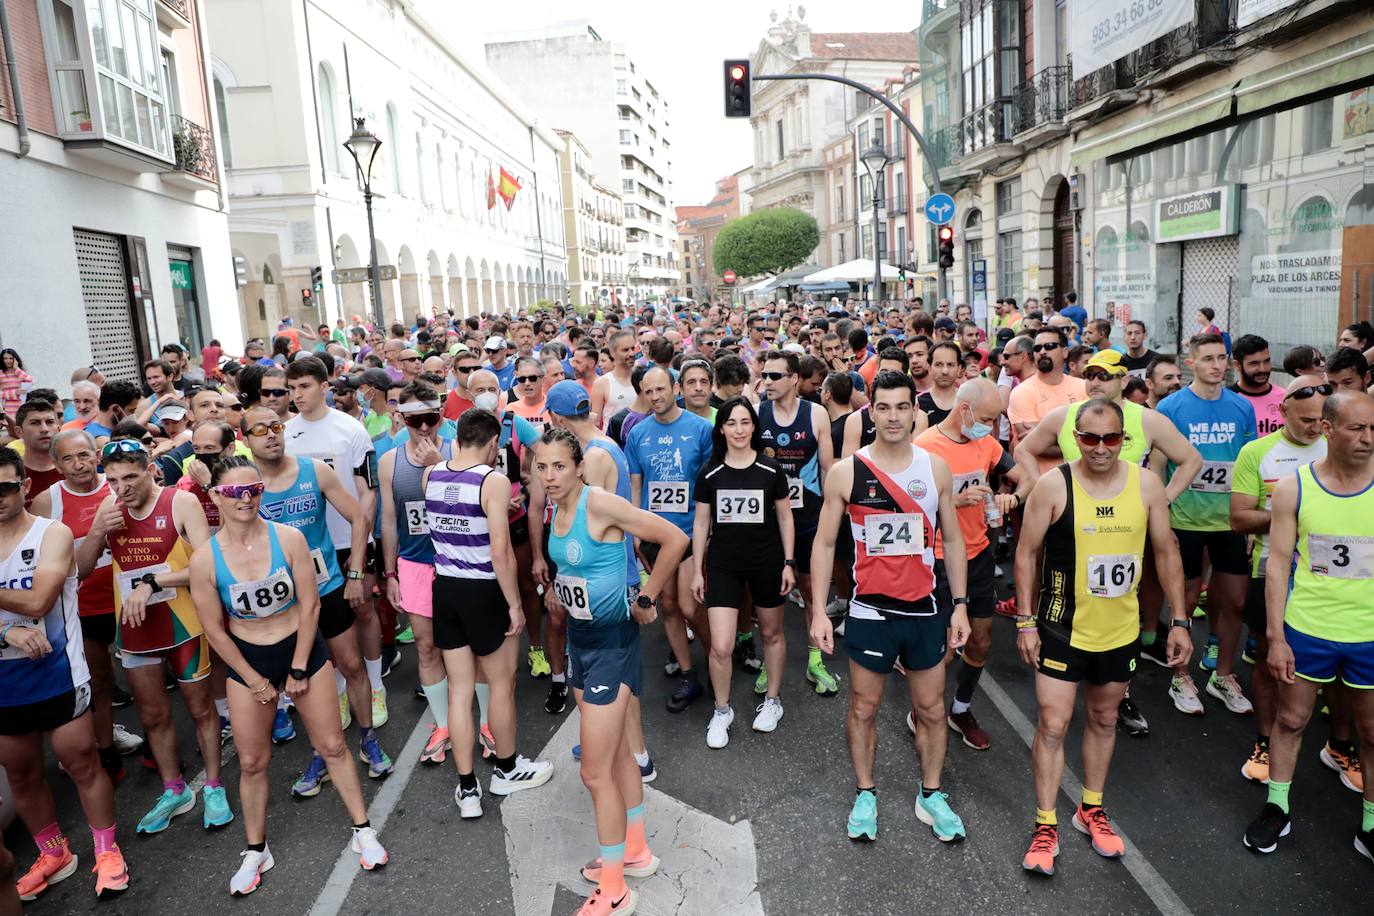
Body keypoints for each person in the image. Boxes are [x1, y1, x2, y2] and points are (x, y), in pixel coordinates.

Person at [188, 457, 387, 894]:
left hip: (300, 649)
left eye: (253, 490)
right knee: (254, 761)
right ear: (216, 496)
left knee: (333, 745)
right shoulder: (204, 559)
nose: (246, 499)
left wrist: (298, 667)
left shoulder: (289, 538)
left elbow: (311, 604)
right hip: (248, 660)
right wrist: (256, 681)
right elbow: (214, 632)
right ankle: (256, 849)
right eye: (235, 492)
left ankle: (363, 829)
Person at [1013, 399, 1193, 875]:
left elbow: (1166, 552)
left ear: (1124, 439)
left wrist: (1180, 620)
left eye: (1110, 438)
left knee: (1104, 719)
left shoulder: (1147, 483)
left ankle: (1090, 808)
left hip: (1119, 630)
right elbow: (1027, 554)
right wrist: (1026, 621)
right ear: (1074, 437)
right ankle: (1045, 823)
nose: (1100, 448)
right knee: (1052, 725)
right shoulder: (1054, 485)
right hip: (1059, 626)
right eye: (1089, 438)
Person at [808, 371, 970, 844]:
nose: (894, 416)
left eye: (903, 407)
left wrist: (959, 605)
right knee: (864, 707)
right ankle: (865, 793)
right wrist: (819, 610)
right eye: (885, 407)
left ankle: (931, 794)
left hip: (924, 609)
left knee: (932, 709)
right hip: (869, 610)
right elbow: (822, 544)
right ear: (871, 411)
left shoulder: (934, 468)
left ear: (914, 412)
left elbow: (953, 540)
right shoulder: (847, 472)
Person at [538, 426, 688, 916]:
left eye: (559, 465)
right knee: (620, 753)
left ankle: (615, 888)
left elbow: (674, 538)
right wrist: (560, 590)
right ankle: (636, 850)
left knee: (593, 771)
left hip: (612, 648)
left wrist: (645, 596)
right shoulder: (554, 509)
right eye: (542, 467)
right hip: (582, 644)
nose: (550, 475)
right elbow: (577, 570)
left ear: (579, 466)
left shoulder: (597, 504)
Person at [1244, 391, 1374, 860]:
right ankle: (1276, 807)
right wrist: (1276, 637)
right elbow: (1277, 565)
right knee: (1292, 719)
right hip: (1309, 628)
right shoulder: (1295, 488)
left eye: (1373, 429)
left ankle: (1371, 823)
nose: (1367, 437)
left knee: (1372, 731)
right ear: (1327, 429)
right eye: (1357, 428)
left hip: (1369, 634)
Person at [73, 439, 225, 835]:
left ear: (150, 471)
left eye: (129, 477)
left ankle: (213, 785)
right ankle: (174, 789)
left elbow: (206, 566)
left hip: (184, 624)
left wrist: (150, 582)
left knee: (200, 709)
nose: (121, 488)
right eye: (112, 480)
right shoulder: (109, 511)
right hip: (137, 630)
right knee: (153, 716)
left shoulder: (179, 502)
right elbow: (81, 571)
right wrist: (94, 533)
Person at [0, 447, 130, 902]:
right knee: (20, 773)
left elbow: (38, 602)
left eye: (5, 487)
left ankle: (106, 851)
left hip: (58, 671)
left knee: (80, 760)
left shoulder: (51, 533)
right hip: (5, 683)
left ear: (24, 487)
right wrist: (5, 636)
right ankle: (53, 853)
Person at [244, 406, 392, 789]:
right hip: (282, 603)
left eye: (276, 426)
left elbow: (359, 517)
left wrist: (356, 574)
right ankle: (321, 755)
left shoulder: (314, 471)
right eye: (259, 430)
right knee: (305, 680)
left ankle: (368, 741)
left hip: (326, 589)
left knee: (351, 665)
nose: (271, 435)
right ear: (245, 439)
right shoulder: (245, 487)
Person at [423, 409, 553, 817]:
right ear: (494, 441)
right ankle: (507, 768)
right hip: (483, 589)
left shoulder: (432, 475)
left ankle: (466, 788)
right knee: (500, 685)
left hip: (445, 587)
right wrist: (515, 603)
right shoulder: (492, 480)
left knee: (460, 691)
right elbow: (500, 551)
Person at [915, 379, 1031, 750]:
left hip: (978, 555)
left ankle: (960, 708)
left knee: (980, 640)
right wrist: (954, 504)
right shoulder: (924, 448)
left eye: (996, 420)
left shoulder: (986, 443)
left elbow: (1026, 477)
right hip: (936, 559)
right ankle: (924, 710)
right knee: (943, 650)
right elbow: (907, 512)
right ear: (964, 410)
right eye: (986, 418)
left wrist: (1013, 498)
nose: (991, 427)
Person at [1229, 376, 1331, 786]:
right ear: (1283, 410)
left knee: (1337, 669)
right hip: (1271, 566)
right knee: (1267, 656)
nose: (1315, 427)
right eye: (1306, 419)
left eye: (1322, 419)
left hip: (1330, 574)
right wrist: (1292, 514)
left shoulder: (1335, 446)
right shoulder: (1257, 452)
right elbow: (1238, 518)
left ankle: (1340, 746)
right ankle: (1265, 742)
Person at [31, 430, 143, 784]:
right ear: (56, 464)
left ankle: (150, 740)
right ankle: (105, 745)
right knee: (99, 679)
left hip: (130, 597)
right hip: (84, 605)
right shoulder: (47, 502)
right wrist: (95, 531)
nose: (78, 464)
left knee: (144, 675)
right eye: (68, 458)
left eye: (84, 455)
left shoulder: (117, 485)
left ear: (97, 455)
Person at [1156, 333, 1258, 716]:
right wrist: (1160, 515)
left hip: (1229, 521)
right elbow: (1158, 464)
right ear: (1191, 363)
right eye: (1209, 358)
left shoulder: (1241, 407)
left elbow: (1250, 465)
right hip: (1185, 518)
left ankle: (1223, 676)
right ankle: (1180, 675)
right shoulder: (1170, 407)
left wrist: (1249, 521)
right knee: (1184, 598)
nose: (1218, 365)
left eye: (1223, 358)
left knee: (1233, 600)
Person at [283, 358, 387, 728]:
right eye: (292, 388)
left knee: (361, 610)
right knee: (324, 620)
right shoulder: (284, 433)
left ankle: (375, 685)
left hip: (349, 540)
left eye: (305, 386)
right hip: (307, 548)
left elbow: (368, 493)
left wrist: (361, 553)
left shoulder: (351, 430)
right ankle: (342, 690)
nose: (297, 395)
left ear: (324, 387)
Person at [691, 397, 795, 745]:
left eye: (745, 422)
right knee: (721, 645)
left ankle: (773, 702)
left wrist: (789, 562)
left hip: (767, 561)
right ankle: (722, 711)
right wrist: (696, 570)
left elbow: (785, 517)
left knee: (771, 634)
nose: (739, 429)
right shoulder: (709, 473)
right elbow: (701, 523)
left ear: (754, 426)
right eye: (731, 423)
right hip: (723, 563)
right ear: (721, 428)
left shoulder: (771, 470)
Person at [624, 366, 713, 712]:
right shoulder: (637, 434)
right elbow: (635, 486)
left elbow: (709, 485)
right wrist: (633, 531)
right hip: (655, 534)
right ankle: (690, 674)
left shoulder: (701, 429)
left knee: (690, 605)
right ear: (643, 394)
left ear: (674, 388)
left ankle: (716, 657)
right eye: (649, 391)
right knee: (671, 606)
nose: (656, 397)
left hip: (691, 532)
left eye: (662, 389)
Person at [378, 383, 454, 765]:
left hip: (458, 562)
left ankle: (478, 720)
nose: (424, 428)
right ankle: (443, 724)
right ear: (401, 419)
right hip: (415, 563)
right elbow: (389, 522)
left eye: (431, 418)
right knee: (425, 646)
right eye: (414, 420)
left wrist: (437, 465)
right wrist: (389, 573)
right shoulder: (389, 461)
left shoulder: (455, 452)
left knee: (463, 646)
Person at [757, 350, 838, 696]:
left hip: (807, 519)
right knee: (764, 594)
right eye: (764, 375)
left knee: (809, 591)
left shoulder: (816, 413)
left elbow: (828, 468)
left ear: (794, 379)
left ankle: (815, 659)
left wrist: (832, 516)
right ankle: (766, 660)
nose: (767, 382)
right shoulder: (757, 414)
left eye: (775, 376)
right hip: (767, 521)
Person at [1008, 329, 1088, 467]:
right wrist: (1076, 440)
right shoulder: (1022, 392)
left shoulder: (1083, 387)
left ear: (1065, 352)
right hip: (1039, 482)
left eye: (1049, 346)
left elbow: (1092, 434)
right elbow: (1033, 444)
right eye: (1037, 348)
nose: (1042, 351)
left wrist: (1045, 435)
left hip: (1080, 479)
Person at [1230, 335, 1286, 437]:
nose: (1262, 369)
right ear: (1237, 365)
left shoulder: (1286, 397)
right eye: (1254, 363)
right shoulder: (1227, 399)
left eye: (1266, 361)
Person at [13, 400, 63, 510]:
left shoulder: (73, 469)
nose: (44, 429)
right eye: (35, 423)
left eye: (49, 422)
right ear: (18, 431)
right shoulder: (9, 473)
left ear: (59, 429)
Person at [591, 330, 637, 433]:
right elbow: (595, 424)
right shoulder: (602, 383)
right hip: (613, 444)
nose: (631, 353)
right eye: (625, 350)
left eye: (633, 348)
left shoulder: (643, 379)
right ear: (612, 353)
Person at [918, 342, 962, 425]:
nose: (945, 371)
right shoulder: (919, 402)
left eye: (950, 365)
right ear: (929, 369)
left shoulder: (969, 401)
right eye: (938, 365)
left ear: (959, 369)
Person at [0, 350, 33, 418]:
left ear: (15, 359)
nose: (8, 361)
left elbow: (30, 381)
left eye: (10, 358)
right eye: (5, 358)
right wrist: (15, 392)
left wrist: (17, 370)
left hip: (24, 406)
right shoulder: (1, 373)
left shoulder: (19, 372)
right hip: (9, 408)